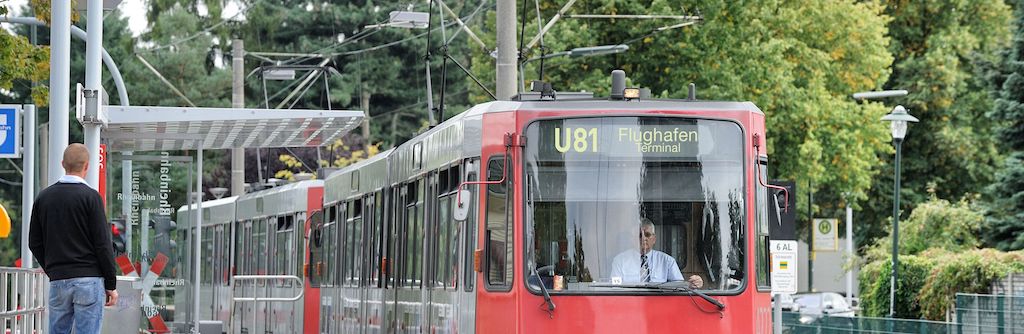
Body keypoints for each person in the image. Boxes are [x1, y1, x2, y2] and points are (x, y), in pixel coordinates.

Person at [29, 143, 118, 334]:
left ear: (63, 164)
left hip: (59, 280)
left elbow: (34, 242)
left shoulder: (44, 198)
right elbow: (102, 244)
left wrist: (53, 269)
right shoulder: (91, 197)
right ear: (87, 166)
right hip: (89, 279)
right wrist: (111, 284)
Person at [610, 218, 704, 288]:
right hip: (629, 307)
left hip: (661, 308)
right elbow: (614, 289)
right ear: (632, 239)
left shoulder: (667, 261)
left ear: (654, 239)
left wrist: (694, 283)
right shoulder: (620, 261)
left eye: (647, 235)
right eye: (640, 235)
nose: (644, 239)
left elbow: (680, 288)